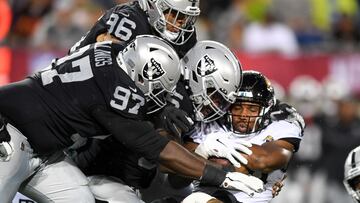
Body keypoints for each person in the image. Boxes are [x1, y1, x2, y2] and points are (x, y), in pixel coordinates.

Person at [0, 35, 264, 202]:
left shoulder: (111, 52)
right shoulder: (116, 92)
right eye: (159, 91)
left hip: (46, 154)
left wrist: (158, 110)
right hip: (11, 135)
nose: (162, 99)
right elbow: (154, 146)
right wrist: (222, 177)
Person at [183, 70, 305, 203]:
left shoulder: (280, 126)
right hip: (208, 196)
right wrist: (202, 152)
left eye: (252, 109)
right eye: (237, 108)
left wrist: (214, 153)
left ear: (265, 110)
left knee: (196, 199)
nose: (243, 114)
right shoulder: (210, 124)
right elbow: (178, 171)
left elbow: (263, 160)